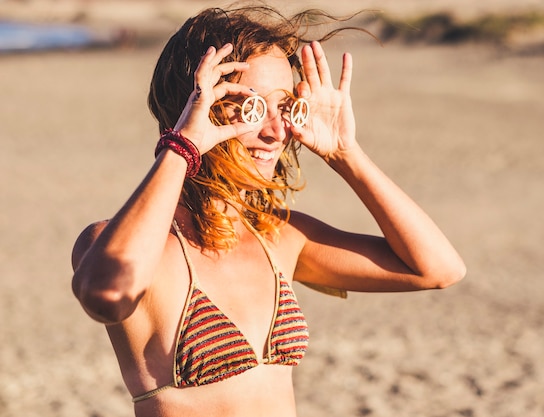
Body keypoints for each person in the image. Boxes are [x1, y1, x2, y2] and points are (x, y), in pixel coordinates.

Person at [71, 5, 466, 417]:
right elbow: (108, 295)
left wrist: (347, 154)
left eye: (284, 105)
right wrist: (183, 145)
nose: (276, 131)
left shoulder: (278, 237)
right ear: (193, 105)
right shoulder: (116, 243)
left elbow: (437, 269)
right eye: (250, 107)